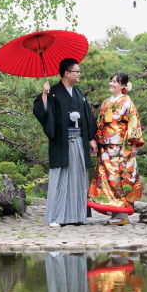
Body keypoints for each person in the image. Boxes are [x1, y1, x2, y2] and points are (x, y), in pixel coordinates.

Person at [33, 57, 97, 228]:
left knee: (78, 178)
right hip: (62, 143)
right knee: (60, 178)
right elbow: (43, 113)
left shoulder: (79, 94)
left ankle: (77, 216)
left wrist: (91, 138)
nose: (80, 74)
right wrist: (45, 94)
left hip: (79, 141)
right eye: (77, 71)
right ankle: (55, 216)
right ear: (67, 73)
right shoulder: (53, 92)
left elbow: (88, 118)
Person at [87, 72, 143, 225]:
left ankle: (122, 214)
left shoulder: (127, 102)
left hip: (121, 147)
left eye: (115, 82)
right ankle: (115, 212)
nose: (112, 84)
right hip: (106, 148)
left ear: (124, 86)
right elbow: (101, 124)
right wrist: (96, 142)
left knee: (119, 179)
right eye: (111, 81)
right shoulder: (106, 103)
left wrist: (133, 146)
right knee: (107, 180)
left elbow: (133, 123)